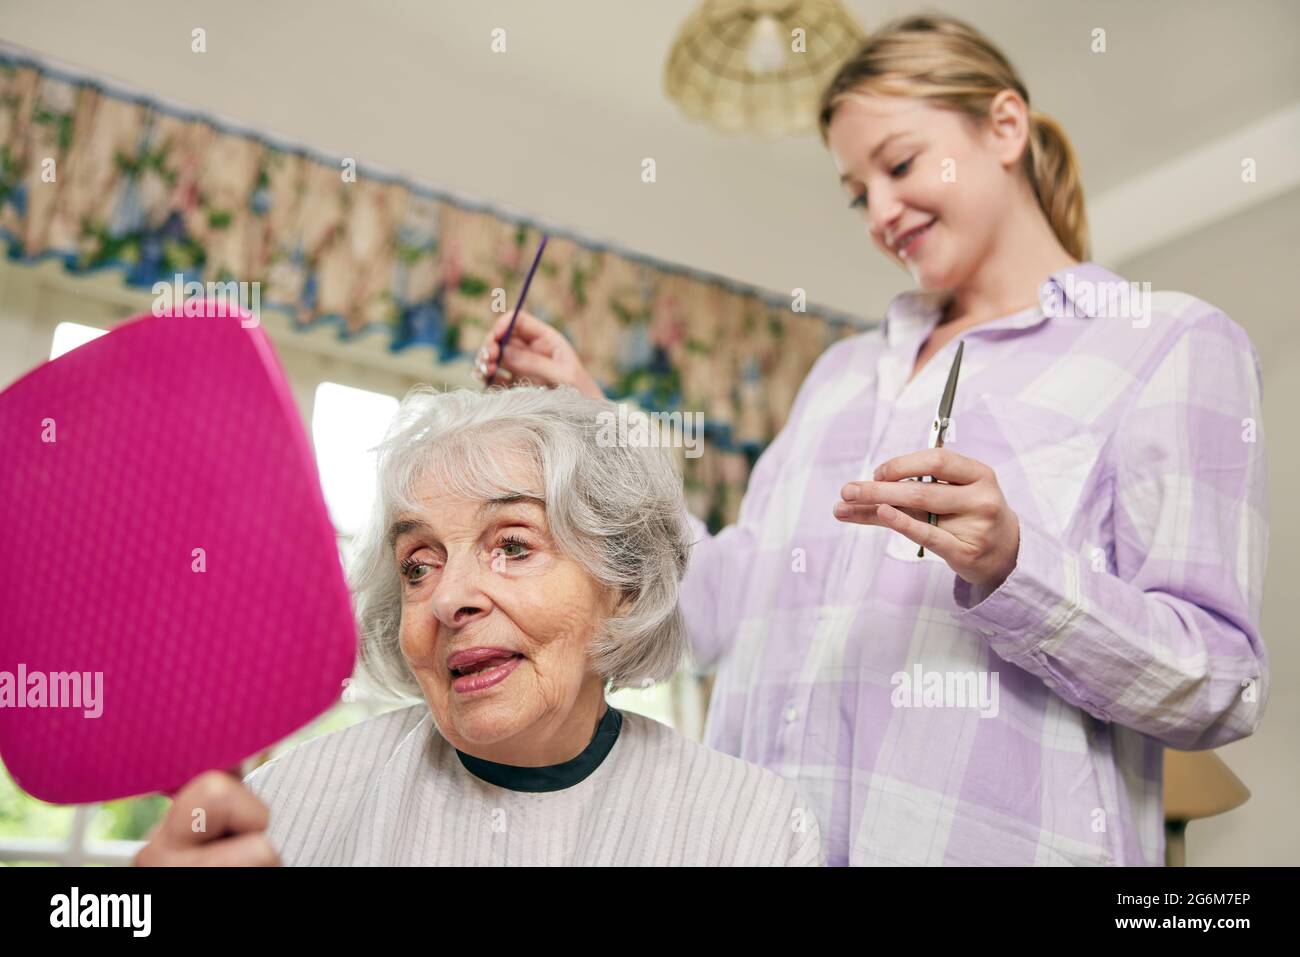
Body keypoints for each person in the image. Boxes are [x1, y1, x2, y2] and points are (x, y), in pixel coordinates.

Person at [473, 14, 1269, 865]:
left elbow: (1219, 684)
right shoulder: (840, 374)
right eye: (858, 193)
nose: (880, 213)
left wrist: (1013, 567)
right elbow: (707, 613)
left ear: (1004, 127)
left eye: (899, 164)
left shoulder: (1166, 342)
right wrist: (590, 417)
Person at [135, 386, 824, 866]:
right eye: (418, 565)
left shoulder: (753, 826)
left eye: (513, 545)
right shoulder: (283, 804)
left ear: (624, 583)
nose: (448, 599)